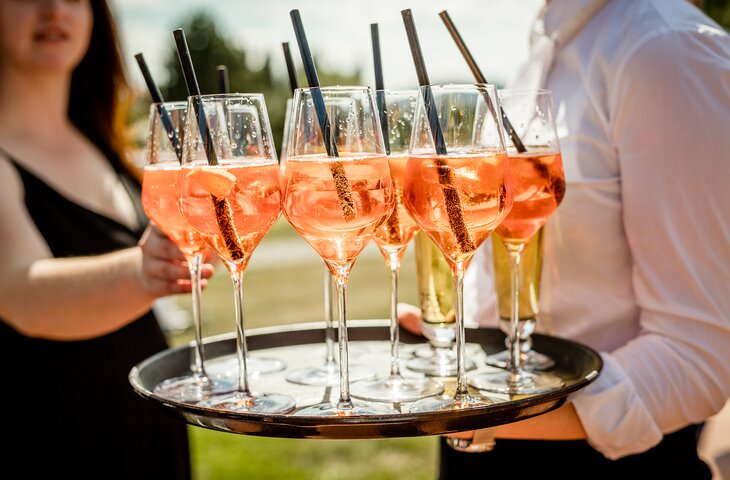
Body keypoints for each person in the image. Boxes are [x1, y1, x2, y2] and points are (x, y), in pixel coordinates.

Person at [400, 0, 730, 478]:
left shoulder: (667, 49)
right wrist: (457, 343)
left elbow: (700, 354)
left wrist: (469, 415)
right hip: (476, 438)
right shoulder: (547, 44)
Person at [0, 1, 214, 478]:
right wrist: (144, 271)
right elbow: (18, 291)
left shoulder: (110, 147)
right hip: (54, 436)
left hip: (145, 430)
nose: (55, 9)